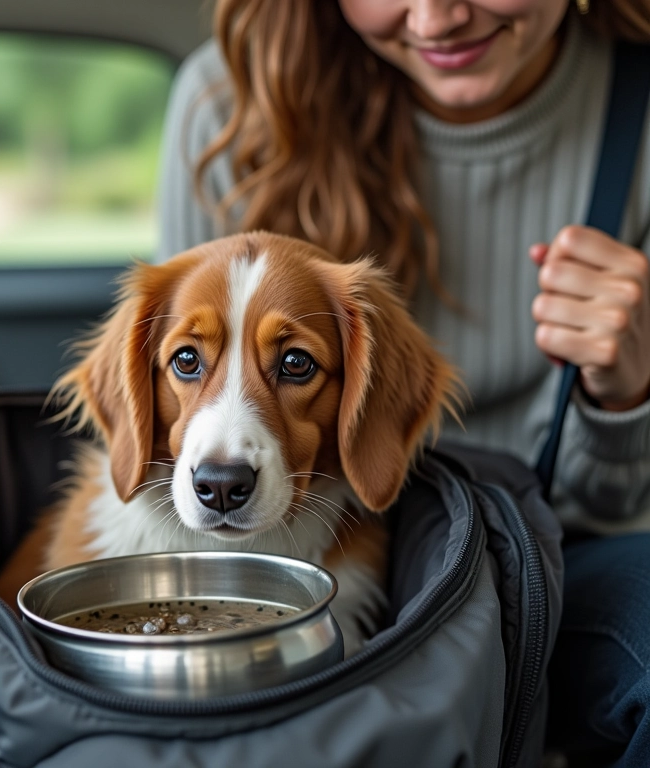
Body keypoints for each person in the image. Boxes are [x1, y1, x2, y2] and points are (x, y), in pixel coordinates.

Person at [155, 1, 650, 764]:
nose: (437, 18)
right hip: (317, 543)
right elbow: (192, 405)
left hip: (568, 556)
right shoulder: (231, 103)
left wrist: (626, 396)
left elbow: (619, 515)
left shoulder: (637, 114)